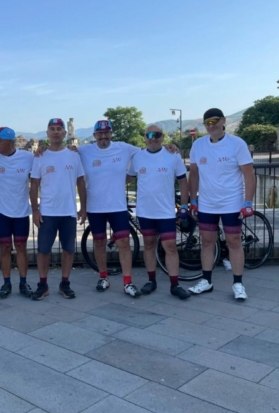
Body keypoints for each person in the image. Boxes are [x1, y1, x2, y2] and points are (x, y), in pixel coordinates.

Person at [188, 108, 255, 300]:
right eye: (207, 122)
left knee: (234, 242)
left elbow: (249, 175)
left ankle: (238, 284)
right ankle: (206, 281)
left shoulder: (237, 144)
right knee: (207, 242)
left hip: (231, 202)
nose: (211, 125)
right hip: (207, 203)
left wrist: (248, 202)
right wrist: (193, 201)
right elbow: (194, 175)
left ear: (223, 121)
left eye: (215, 121)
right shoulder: (198, 145)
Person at [127, 124, 191, 300]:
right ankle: (151, 281)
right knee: (149, 244)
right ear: (145, 137)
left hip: (166, 211)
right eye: (149, 135)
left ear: (163, 137)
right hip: (145, 211)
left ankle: (175, 285)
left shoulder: (173, 155)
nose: (153, 138)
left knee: (170, 246)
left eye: (157, 135)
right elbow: (127, 178)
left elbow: (183, 182)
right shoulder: (138, 157)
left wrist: (184, 206)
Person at [77, 120, 141, 296]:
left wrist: (170, 148)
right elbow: (64, 152)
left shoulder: (124, 148)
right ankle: (103, 277)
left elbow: (146, 153)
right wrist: (43, 149)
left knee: (123, 243)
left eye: (107, 133)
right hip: (95, 206)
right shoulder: (85, 150)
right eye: (99, 133)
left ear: (111, 134)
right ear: (94, 135)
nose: (103, 136)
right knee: (99, 242)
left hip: (117, 206)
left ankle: (127, 282)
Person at [29, 118, 86, 301]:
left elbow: (81, 182)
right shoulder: (40, 156)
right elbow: (34, 185)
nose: (55, 132)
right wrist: (35, 210)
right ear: (47, 133)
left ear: (64, 133)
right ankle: (43, 284)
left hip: (68, 211)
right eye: (52, 129)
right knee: (43, 250)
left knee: (68, 249)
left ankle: (65, 283)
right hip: (47, 212)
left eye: (58, 129)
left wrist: (83, 208)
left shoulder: (73, 155)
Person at [0, 127, 35, 298]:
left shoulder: (27, 157)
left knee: (21, 247)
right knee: (5, 248)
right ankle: (6, 283)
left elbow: (46, 158)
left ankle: (23, 282)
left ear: (9, 142)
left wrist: (44, 149)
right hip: (1, 212)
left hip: (21, 212)